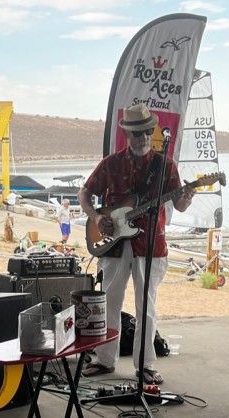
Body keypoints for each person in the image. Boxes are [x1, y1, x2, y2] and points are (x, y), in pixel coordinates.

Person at [78, 103, 193, 385]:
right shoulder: (111, 164)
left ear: (151, 131)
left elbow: (179, 206)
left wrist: (186, 197)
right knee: (110, 303)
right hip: (114, 245)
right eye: (135, 134)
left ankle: (146, 365)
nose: (141, 138)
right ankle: (105, 360)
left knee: (147, 307)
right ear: (127, 135)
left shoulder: (165, 166)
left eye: (145, 132)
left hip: (151, 246)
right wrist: (96, 217)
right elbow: (85, 192)